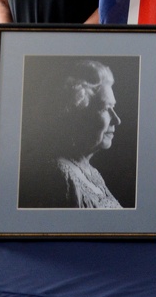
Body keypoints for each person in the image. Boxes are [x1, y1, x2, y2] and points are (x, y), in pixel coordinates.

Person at [18, 59, 123, 209]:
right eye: (105, 108)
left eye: (113, 107)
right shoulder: (59, 176)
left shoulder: (91, 172)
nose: (117, 120)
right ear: (78, 114)